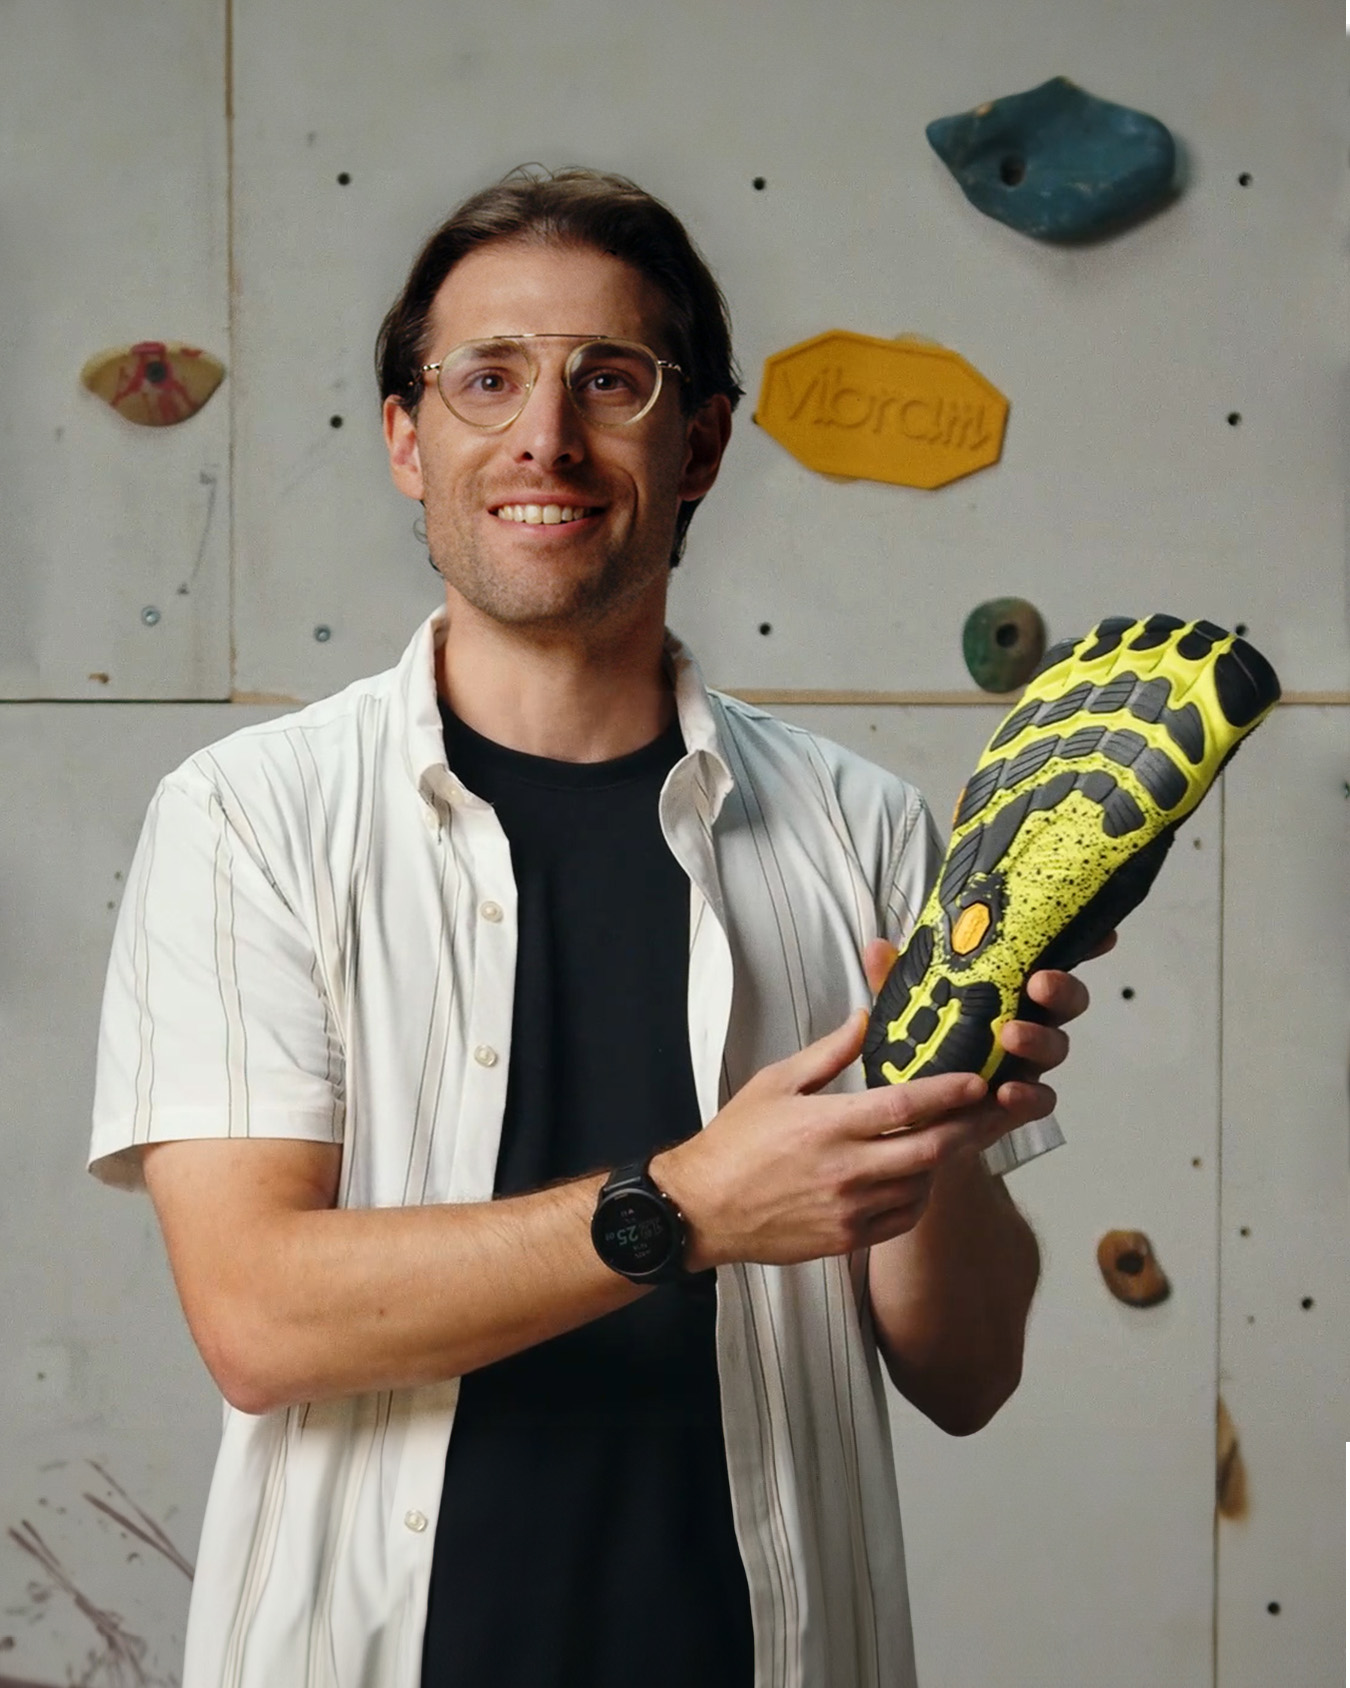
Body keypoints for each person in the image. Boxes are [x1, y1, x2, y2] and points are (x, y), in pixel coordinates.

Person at [89, 166, 1094, 1688]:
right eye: (486, 379)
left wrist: (934, 1131)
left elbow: (967, 1373)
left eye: (609, 380)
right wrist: (683, 1207)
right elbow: (259, 1318)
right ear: (407, 439)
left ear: (702, 445)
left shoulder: (872, 830)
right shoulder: (249, 817)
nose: (544, 438)